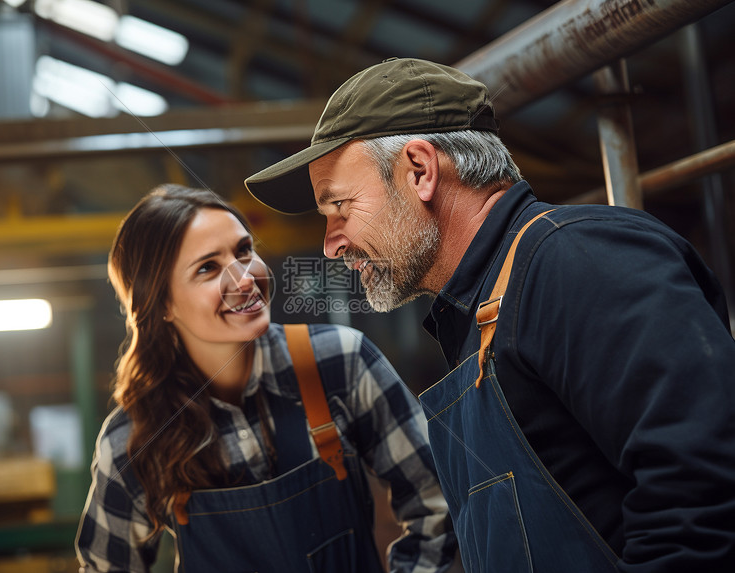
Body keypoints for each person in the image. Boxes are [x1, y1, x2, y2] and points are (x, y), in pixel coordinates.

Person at [244, 57, 735, 572]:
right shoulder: (475, 312)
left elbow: (705, 494)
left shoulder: (576, 261)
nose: (330, 245)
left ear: (419, 170)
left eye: (339, 206)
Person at [75, 183, 457, 572]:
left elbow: (438, 502)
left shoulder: (339, 362)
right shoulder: (134, 439)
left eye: (243, 251)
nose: (243, 279)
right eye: (207, 268)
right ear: (162, 306)